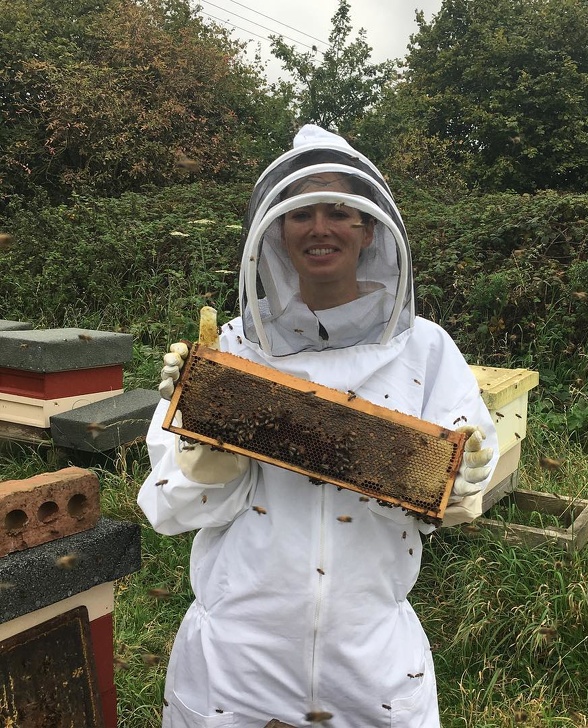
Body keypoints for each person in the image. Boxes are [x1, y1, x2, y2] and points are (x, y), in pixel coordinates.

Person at [137, 124, 500, 728]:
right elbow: (173, 512)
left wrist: (461, 485)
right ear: (277, 229)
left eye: (340, 212)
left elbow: (451, 493)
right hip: (239, 659)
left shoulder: (427, 351)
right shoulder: (233, 348)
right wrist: (206, 457)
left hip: (370, 663)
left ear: (370, 229)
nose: (320, 227)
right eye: (302, 212)